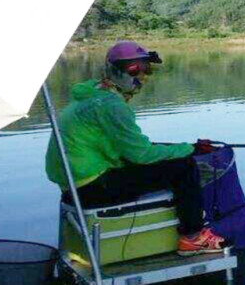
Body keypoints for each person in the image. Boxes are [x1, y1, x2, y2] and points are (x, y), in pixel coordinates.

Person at [45, 40, 226, 256]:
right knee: (184, 167)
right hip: (93, 189)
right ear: (122, 71)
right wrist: (189, 150)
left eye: (146, 70)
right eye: (138, 69)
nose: (143, 76)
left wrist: (187, 146)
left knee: (172, 159)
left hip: (73, 188)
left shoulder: (91, 95)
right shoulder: (111, 106)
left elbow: (130, 148)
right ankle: (193, 238)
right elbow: (141, 155)